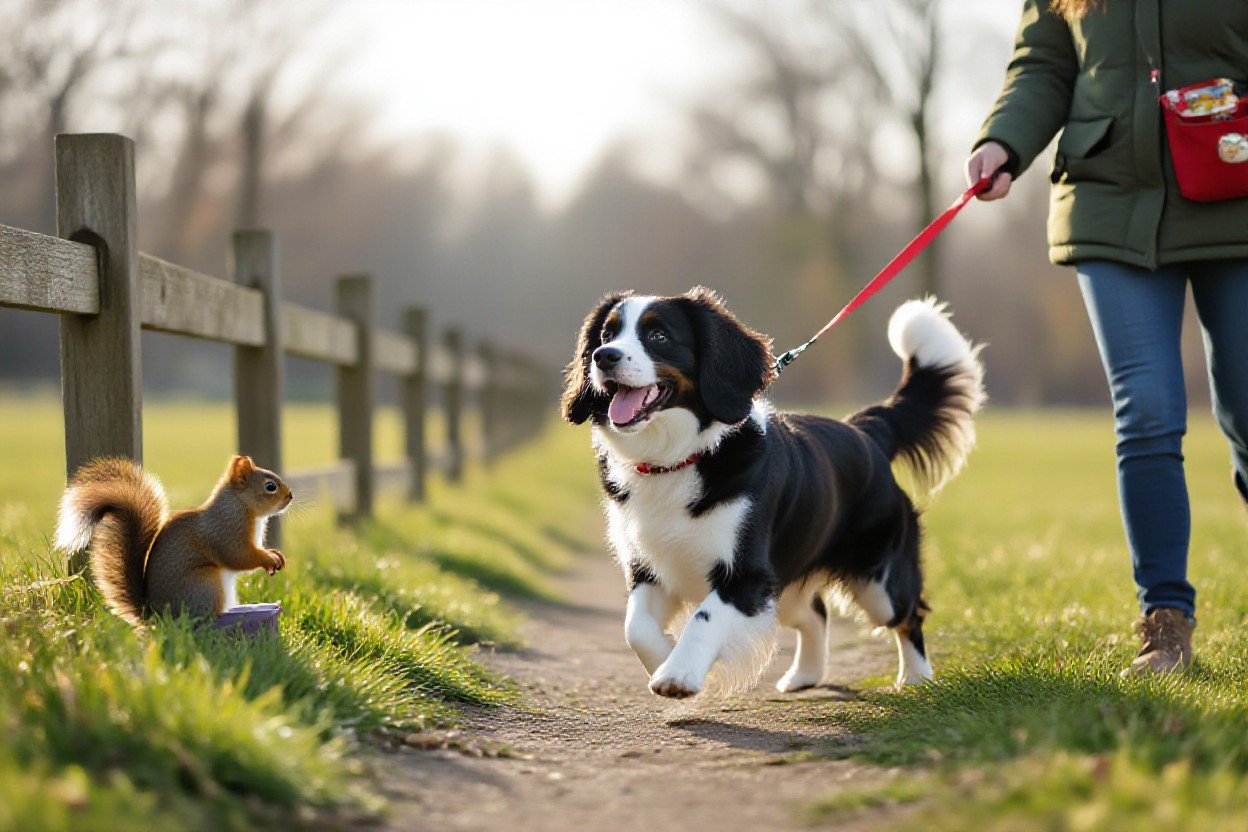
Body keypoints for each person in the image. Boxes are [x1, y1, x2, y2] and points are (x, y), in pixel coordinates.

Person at [966, 0, 1248, 675]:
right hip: (1110, 202)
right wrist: (1004, 141)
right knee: (1147, 409)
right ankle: (1166, 624)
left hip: (1236, 183)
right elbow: (1044, 62)